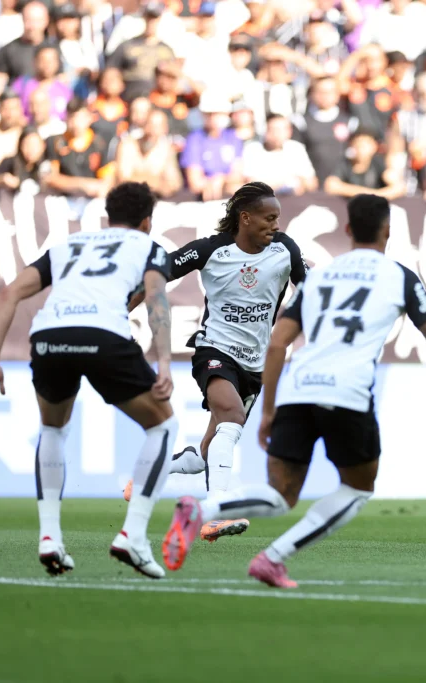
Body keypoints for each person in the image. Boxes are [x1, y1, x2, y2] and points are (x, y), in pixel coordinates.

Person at [161, 194, 426, 587]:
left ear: (348, 229)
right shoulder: (400, 276)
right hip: (347, 395)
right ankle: (272, 557)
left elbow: (278, 343)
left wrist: (268, 411)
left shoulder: (323, 276)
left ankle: (202, 511)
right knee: (357, 489)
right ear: (388, 231)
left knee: (280, 495)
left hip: (299, 391)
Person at [0, 181, 178, 579]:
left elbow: (8, 294)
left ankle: (49, 537)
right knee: (163, 426)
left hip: (49, 336)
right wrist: (166, 361)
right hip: (103, 333)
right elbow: (156, 297)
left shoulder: (68, 244)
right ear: (147, 221)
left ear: (108, 216)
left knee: (52, 429)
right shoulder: (148, 246)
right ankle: (133, 535)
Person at [123, 182, 307, 545]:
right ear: (245, 218)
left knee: (207, 454)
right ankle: (215, 511)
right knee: (232, 417)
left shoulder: (285, 250)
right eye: (269, 218)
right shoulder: (210, 249)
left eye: (278, 218)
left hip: (255, 365)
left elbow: (314, 292)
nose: (276, 225)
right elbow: (157, 275)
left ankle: (147, 477)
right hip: (215, 352)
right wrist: (119, 313)